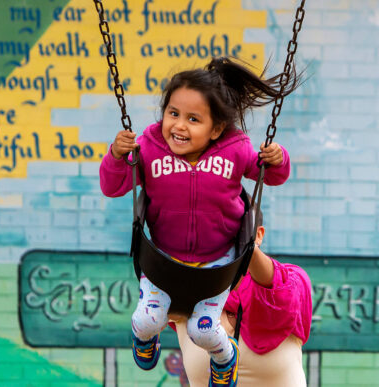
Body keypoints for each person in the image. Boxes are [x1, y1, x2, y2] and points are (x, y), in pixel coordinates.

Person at [99, 57, 299, 387]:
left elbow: (272, 175)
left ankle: (225, 359)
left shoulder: (235, 150)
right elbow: (112, 185)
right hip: (163, 260)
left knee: (202, 331)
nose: (179, 126)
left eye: (194, 119)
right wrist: (116, 155)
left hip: (218, 263)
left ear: (216, 129)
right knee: (146, 319)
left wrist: (278, 159)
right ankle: (146, 338)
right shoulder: (149, 147)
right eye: (173, 114)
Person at [173, 219, 313, 386]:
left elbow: (278, 287)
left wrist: (248, 249)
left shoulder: (293, 281)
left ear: (258, 234)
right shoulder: (190, 290)